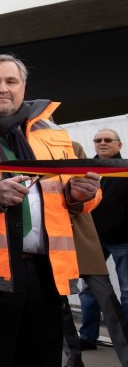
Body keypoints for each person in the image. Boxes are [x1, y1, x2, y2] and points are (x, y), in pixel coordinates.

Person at [0, 54, 102, 367]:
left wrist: (80, 195)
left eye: (11, 81)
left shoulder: (52, 132)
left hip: (46, 272)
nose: (3, 88)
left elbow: (69, 196)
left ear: (23, 87)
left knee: (43, 359)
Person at [61, 140, 128, 367]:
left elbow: (88, 193)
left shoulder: (70, 146)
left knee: (107, 298)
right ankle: (74, 357)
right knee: (61, 303)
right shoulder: (19, 146)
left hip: (82, 236)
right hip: (53, 241)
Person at [79, 130, 128, 358]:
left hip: (123, 239)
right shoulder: (86, 170)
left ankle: (126, 340)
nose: (102, 143)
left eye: (108, 140)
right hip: (93, 240)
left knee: (127, 291)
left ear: (119, 144)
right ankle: (88, 337)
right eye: (98, 140)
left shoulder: (125, 169)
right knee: (88, 291)